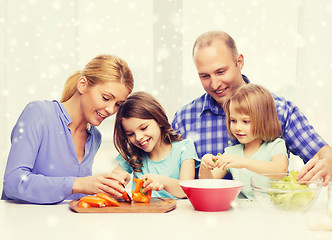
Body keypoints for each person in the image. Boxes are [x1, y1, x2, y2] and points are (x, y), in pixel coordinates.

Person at [171, 30, 332, 185]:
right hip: (208, 211)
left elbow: (322, 155)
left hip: (266, 209)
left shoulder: (280, 110)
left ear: (239, 62)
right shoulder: (185, 118)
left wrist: (328, 164)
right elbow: (167, 173)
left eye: (221, 71)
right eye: (204, 76)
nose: (214, 84)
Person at [2, 54, 134, 204]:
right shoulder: (39, 113)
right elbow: (13, 182)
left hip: (68, 226)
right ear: (82, 85)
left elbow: (72, 198)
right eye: (106, 98)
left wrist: (108, 187)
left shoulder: (94, 137)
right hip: (26, 224)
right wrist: (78, 184)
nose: (111, 110)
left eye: (118, 104)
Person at [199, 84, 288, 198]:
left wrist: (243, 162)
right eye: (233, 120)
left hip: (271, 209)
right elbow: (209, 184)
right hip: (243, 212)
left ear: (264, 120)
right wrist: (205, 166)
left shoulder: (275, 146)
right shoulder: (232, 153)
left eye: (245, 121)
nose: (238, 127)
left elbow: (280, 171)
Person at [112, 91, 198, 199]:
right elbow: (112, 182)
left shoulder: (184, 148)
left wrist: (161, 181)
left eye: (143, 128)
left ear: (159, 121)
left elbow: (186, 190)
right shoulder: (132, 153)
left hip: (177, 214)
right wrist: (118, 180)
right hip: (143, 214)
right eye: (130, 134)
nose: (138, 137)